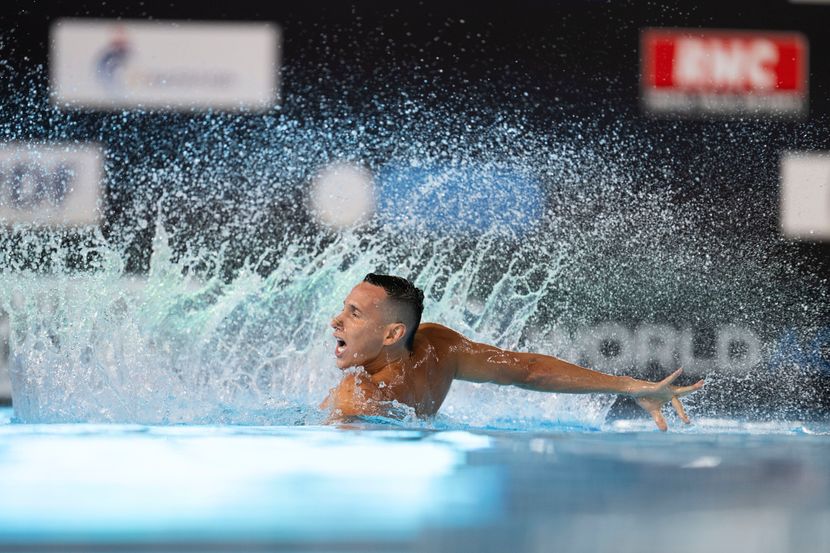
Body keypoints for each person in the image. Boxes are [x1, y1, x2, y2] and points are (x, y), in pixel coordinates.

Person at [322, 273, 704, 431]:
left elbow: (527, 369)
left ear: (393, 334)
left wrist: (632, 386)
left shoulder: (438, 347)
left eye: (353, 314)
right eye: (344, 309)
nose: (335, 322)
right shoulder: (356, 399)